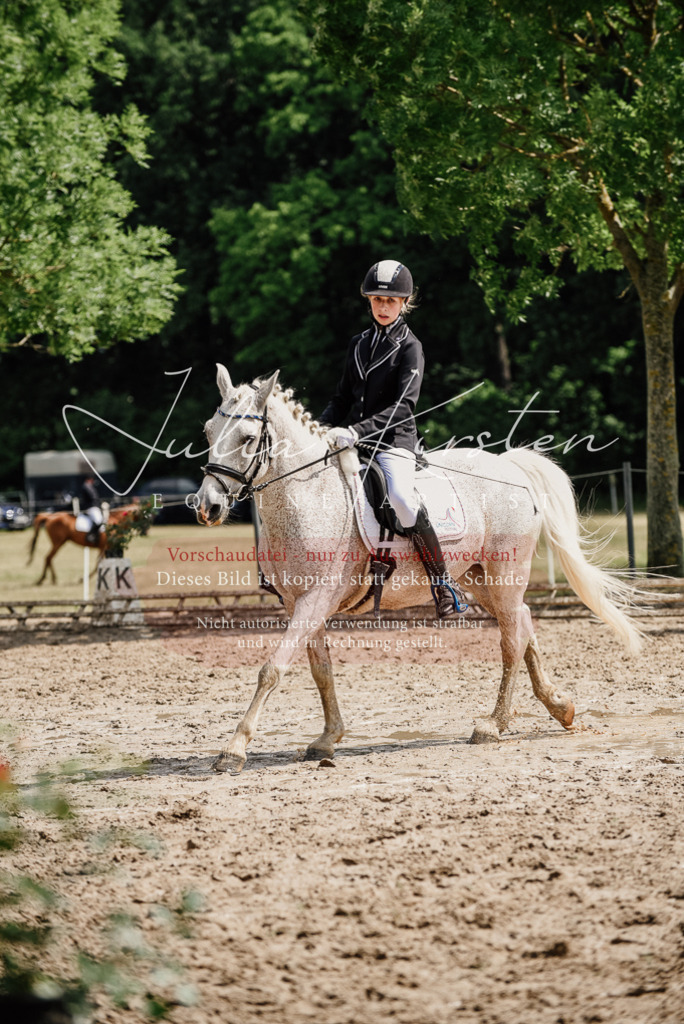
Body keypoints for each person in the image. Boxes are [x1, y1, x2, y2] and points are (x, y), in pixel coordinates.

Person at [319, 259, 465, 617]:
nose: (383, 307)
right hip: (353, 441)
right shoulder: (358, 344)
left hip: (393, 442)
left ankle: (442, 582)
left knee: (401, 497)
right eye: (377, 300)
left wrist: (355, 431)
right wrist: (318, 430)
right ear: (368, 300)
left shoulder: (410, 346)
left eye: (391, 301)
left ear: (404, 303)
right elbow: (341, 399)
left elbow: (404, 406)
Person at [79, 473, 103, 545]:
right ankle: (90, 535)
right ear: (90, 479)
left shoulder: (89, 486)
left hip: (94, 506)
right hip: (91, 507)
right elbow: (93, 497)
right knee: (99, 521)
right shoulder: (86, 486)